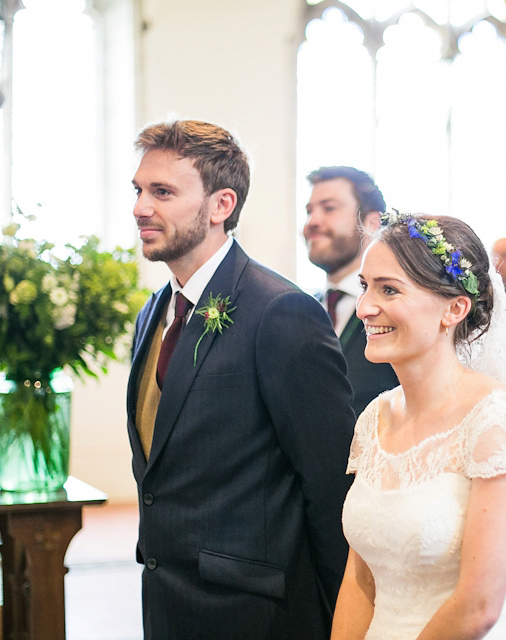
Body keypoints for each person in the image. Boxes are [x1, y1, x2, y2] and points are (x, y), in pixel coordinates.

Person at [126, 121, 355, 639]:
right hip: (167, 600)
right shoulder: (154, 313)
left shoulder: (280, 312)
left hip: (256, 613)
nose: (141, 207)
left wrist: (339, 619)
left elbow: (329, 484)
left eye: (162, 192)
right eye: (139, 190)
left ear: (220, 205)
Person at [332, 212, 506, 639]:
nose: (364, 307)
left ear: (454, 308)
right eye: (365, 287)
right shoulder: (374, 418)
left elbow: (478, 605)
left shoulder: (499, 424)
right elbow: (360, 581)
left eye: (389, 289)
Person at [304, 166, 399, 417]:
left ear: (372, 223)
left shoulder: (396, 310)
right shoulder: (301, 309)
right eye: (309, 211)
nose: (312, 221)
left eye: (329, 208)